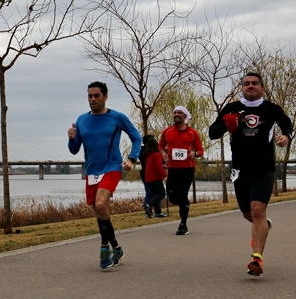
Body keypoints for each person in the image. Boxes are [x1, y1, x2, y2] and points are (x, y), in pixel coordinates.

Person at [208, 72, 293, 277]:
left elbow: (287, 124)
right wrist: (227, 126)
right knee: (248, 213)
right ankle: (265, 225)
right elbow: (212, 133)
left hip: (264, 168)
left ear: (263, 88)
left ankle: (257, 258)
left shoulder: (271, 109)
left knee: (257, 210)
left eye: (255, 83)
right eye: (246, 84)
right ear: (242, 88)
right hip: (239, 169)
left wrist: (286, 137)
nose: (250, 86)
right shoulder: (231, 108)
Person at [68, 81, 142, 269]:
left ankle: (104, 248)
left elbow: (136, 137)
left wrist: (132, 159)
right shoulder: (82, 120)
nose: (92, 99)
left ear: (105, 97)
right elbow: (74, 150)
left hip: (111, 167)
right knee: (100, 212)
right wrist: (71, 139)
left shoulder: (117, 117)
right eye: (90, 96)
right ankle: (116, 247)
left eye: (96, 96)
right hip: (91, 171)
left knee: (101, 204)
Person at [158, 106, 204, 235]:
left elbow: (201, 151)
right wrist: (163, 153)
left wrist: (194, 154)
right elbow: (160, 145)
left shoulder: (192, 133)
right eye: (174, 113)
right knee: (172, 197)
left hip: (187, 169)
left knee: (182, 194)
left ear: (185, 116)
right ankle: (184, 204)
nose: (176, 115)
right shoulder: (167, 132)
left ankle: (183, 224)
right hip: (172, 168)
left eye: (179, 113)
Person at [142, 135, 167, 218]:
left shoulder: (148, 155)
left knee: (154, 195)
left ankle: (157, 212)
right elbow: (158, 166)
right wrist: (164, 175)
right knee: (161, 194)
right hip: (155, 178)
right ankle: (149, 205)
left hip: (148, 178)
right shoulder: (156, 155)